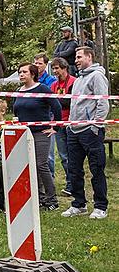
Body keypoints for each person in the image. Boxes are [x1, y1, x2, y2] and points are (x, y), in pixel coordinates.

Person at [62, 46, 110, 220]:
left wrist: (95, 126)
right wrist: (70, 125)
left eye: (79, 57)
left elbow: (103, 103)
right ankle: (78, 204)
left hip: (90, 132)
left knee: (96, 169)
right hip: (74, 131)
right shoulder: (78, 79)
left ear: (89, 57)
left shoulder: (97, 76)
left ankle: (100, 206)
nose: (76, 60)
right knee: (74, 169)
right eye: (76, 57)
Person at [12, 62, 62, 211]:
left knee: (41, 165)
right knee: (30, 166)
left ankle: (52, 199)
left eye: (24, 72)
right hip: (24, 133)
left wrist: (56, 127)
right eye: (19, 72)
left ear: (32, 74)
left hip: (41, 133)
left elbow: (57, 107)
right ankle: (38, 198)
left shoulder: (42, 89)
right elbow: (16, 111)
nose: (21, 74)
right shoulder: (18, 91)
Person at [50, 57, 75, 195]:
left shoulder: (73, 82)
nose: (55, 71)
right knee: (63, 156)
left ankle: (75, 183)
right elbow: (53, 103)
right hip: (58, 123)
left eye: (57, 68)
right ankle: (70, 184)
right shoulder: (54, 85)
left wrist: (58, 102)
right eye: (53, 68)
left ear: (64, 68)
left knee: (72, 156)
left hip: (71, 122)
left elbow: (70, 102)